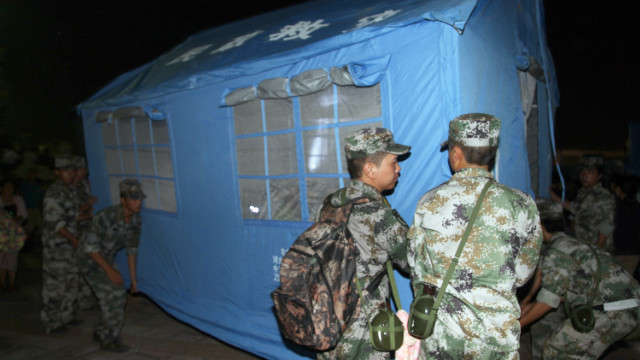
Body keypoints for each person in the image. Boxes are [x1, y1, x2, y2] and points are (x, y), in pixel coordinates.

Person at [407, 113, 542, 359]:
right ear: (491, 151)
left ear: (456, 153)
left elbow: (417, 266)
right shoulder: (521, 203)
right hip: (495, 337)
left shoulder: (429, 201)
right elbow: (522, 275)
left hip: (442, 336)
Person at [317, 127, 411, 360]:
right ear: (370, 169)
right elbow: (410, 261)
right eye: (393, 162)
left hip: (328, 315)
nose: (398, 168)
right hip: (363, 327)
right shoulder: (377, 211)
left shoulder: (332, 202)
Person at [519, 199, 640, 359]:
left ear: (538, 226)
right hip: (626, 303)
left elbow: (547, 302)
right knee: (555, 332)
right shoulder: (563, 242)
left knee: (558, 349)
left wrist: (515, 326)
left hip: (617, 309)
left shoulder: (558, 253)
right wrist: (525, 303)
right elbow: (542, 278)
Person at [77, 178, 145, 352]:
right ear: (123, 200)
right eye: (133, 199)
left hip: (106, 257)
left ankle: (102, 331)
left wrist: (133, 280)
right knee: (114, 295)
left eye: (140, 199)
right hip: (89, 257)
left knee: (114, 294)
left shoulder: (136, 221)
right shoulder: (106, 217)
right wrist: (110, 271)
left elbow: (131, 249)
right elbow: (90, 248)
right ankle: (109, 338)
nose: (138, 203)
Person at [40, 156, 82, 334]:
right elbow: (56, 223)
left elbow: (71, 215)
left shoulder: (70, 190)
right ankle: (51, 322)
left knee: (72, 282)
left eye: (72, 170)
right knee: (55, 286)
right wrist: (74, 240)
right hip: (57, 248)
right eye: (66, 170)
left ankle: (66, 315)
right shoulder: (53, 194)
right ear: (57, 172)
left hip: (70, 247)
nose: (70, 173)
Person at [550, 155, 615, 253]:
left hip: (595, 251)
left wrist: (597, 253)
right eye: (582, 172)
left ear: (599, 176)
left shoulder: (602, 196)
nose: (584, 175)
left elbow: (606, 227)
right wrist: (554, 197)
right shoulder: (584, 194)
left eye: (590, 172)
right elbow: (574, 208)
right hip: (583, 248)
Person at [72, 155, 98, 310]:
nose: (85, 171)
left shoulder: (84, 185)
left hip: (85, 229)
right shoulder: (66, 189)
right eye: (82, 169)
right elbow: (67, 213)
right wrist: (87, 208)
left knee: (87, 264)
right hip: (72, 233)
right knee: (74, 268)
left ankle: (85, 298)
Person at [0, 178, 28, 293]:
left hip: (14, 234)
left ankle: (12, 283)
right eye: (7, 188)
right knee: (1, 259)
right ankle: (1, 283)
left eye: (11, 188)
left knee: (12, 259)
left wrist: (17, 219)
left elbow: (24, 214)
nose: (10, 190)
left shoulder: (18, 200)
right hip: (1, 234)